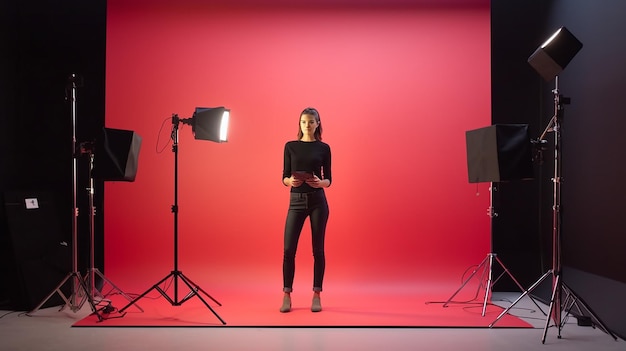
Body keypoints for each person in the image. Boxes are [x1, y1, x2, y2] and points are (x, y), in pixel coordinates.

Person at [280, 107, 332, 313]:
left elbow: (330, 179)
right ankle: (286, 295)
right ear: (299, 124)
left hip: (318, 202)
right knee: (288, 250)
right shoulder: (290, 146)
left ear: (318, 123)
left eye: (311, 122)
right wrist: (289, 181)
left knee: (318, 250)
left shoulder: (324, 148)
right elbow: (283, 176)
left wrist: (321, 183)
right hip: (296, 202)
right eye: (303, 122)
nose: (307, 125)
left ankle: (317, 294)